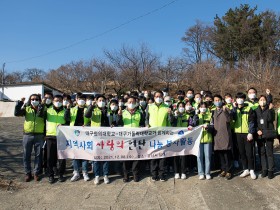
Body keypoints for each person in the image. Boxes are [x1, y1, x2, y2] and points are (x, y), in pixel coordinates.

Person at [14, 94, 45, 182]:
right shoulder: (27, 108)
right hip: (27, 135)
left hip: (39, 135)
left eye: (36, 99)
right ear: (30, 100)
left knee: (39, 155)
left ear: (39, 100)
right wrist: (20, 103)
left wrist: (42, 105)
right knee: (26, 155)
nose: (34, 100)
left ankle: (36, 173)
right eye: (32, 99)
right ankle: (28, 173)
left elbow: (41, 115)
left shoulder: (43, 108)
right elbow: (17, 113)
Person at [145, 90, 173, 181]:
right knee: (153, 155)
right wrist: (146, 125)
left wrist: (170, 114)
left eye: (160, 96)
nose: (158, 98)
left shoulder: (166, 107)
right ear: (154, 98)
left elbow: (170, 121)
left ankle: (161, 174)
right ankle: (154, 174)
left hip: (163, 135)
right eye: (157, 96)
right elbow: (146, 119)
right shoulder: (149, 107)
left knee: (162, 155)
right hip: (152, 134)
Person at [117, 96, 145, 182]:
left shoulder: (139, 113)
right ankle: (126, 175)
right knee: (126, 158)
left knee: (136, 157)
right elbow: (119, 124)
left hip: (137, 138)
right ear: (126, 103)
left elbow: (142, 124)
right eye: (129, 102)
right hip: (125, 138)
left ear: (136, 103)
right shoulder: (122, 112)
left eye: (133, 102)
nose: (131, 104)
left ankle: (135, 174)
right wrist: (119, 116)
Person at [65, 93, 91, 182]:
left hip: (85, 134)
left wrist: (87, 124)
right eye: (80, 99)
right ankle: (76, 172)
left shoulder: (89, 109)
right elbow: (67, 119)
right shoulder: (72, 109)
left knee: (85, 154)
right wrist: (67, 109)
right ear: (76, 100)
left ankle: (85, 172)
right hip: (74, 134)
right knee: (75, 154)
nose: (82, 100)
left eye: (83, 99)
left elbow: (92, 121)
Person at [85, 95, 110, 184]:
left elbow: (112, 121)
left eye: (103, 100)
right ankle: (97, 175)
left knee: (106, 157)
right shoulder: (93, 110)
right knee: (96, 158)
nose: (101, 102)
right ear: (96, 101)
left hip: (106, 137)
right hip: (95, 137)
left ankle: (105, 175)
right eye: (100, 100)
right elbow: (87, 115)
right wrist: (91, 106)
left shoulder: (108, 110)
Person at [232, 92, 257, 180]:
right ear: (236, 99)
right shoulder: (234, 109)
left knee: (249, 152)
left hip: (247, 133)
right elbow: (232, 117)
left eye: (242, 98)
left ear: (244, 99)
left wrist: (251, 132)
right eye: (238, 98)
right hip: (238, 133)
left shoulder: (249, 108)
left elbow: (251, 121)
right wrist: (234, 108)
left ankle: (252, 170)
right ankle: (245, 169)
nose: (240, 100)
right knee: (242, 152)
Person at [45, 95, 68, 183]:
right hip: (50, 136)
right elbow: (42, 120)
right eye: (55, 100)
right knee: (50, 157)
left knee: (62, 157)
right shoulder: (48, 111)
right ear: (53, 101)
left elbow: (69, 122)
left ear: (62, 101)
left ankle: (61, 174)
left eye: (59, 100)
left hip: (62, 136)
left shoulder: (65, 111)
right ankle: (51, 175)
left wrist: (64, 125)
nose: (57, 102)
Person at [212, 95, 233, 180]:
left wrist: (225, 112)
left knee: (227, 153)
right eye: (215, 100)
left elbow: (229, 120)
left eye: (218, 100)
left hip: (225, 134)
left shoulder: (226, 109)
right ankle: (223, 169)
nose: (217, 101)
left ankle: (229, 171)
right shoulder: (213, 111)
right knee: (220, 153)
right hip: (217, 135)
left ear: (222, 100)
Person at [255, 95, 276, 179]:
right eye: (261, 100)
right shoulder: (256, 110)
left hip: (269, 133)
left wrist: (270, 110)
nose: (262, 101)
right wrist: (257, 130)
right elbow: (254, 121)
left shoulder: (270, 109)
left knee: (269, 152)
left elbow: (271, 119)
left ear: (266, 101)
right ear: (258, 101)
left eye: (264, 100)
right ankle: (264, 169)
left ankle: (271, 170)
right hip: (259, 134)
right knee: (262, 152)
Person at [173, 102, 195, 180]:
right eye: (180, 106)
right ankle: (176, 172)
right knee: (176, 156)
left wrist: (190, 125)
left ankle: (183, 172)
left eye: (182, 106)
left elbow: (192, 123)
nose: (181, 108)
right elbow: (172, 123)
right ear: (177, 107)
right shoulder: (175, 116)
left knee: (183, 156)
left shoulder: (188, 116)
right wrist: (175, 116)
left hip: (184, 139)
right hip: (175, 139)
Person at [193, 102, 213, 180]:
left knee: (208, 156)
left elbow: (213, 126)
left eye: (205, 106)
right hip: (198, 139)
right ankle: (201, 173)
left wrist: (208, 127)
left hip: (208, 139)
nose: (203, 108)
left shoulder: (210, 116)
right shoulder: (197, 116)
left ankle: (207, 173)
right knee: (199, 157)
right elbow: (194, 124)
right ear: (199, 108)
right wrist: (196, 115)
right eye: (201, 107)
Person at [224, 93, 239, 169]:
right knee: (228, 146)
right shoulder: (224, 107)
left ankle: (236, 160)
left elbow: (235, 116)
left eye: (229, 97)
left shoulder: (235, 105)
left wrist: (234, 106)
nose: (228, 99)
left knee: (235, 145)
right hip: (227, 129)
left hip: (235, 128)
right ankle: (230, 160)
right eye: (226, 97)